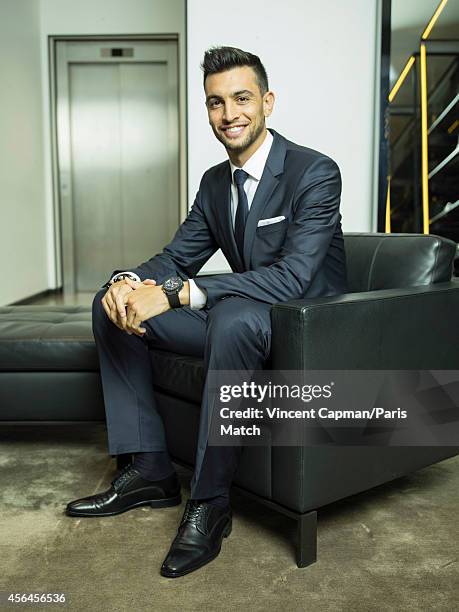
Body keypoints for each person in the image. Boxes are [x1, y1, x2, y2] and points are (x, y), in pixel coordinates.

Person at [65, 46, 348, 577]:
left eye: (241, 99)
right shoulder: (217, 183)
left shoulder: (314, 172)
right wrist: (127, 282)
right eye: (215, 103)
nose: (228, 114)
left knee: (232, 315)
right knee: (115, 305)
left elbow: (292, 278)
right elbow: (176, 256)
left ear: (267, 102)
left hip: (308, 326)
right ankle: (150, 469)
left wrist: (176, 294)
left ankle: (211, 503)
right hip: (237, 323)